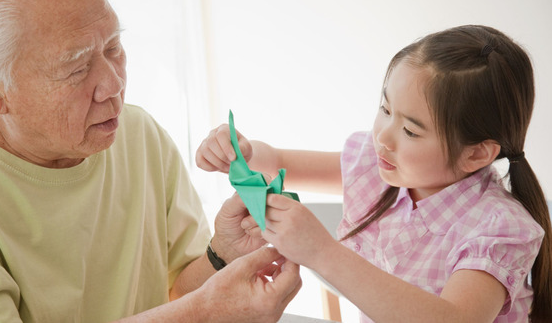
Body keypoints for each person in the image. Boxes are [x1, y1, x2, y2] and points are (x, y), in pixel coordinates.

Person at [0, 0, 301, 322]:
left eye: (114, 47)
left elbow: (174, 299)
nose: (113, 85)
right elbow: (193, 311)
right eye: (77, 68)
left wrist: (222, 253)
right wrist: (206, 311)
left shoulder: (138, 134)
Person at [196, 25, 552, 322]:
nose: (381, 136)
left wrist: (323, 252)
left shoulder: (499, 228)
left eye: (411, 131)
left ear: (476, 153)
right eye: (385, 108)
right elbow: (277, 162)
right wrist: (242, 152)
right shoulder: (377, 167)